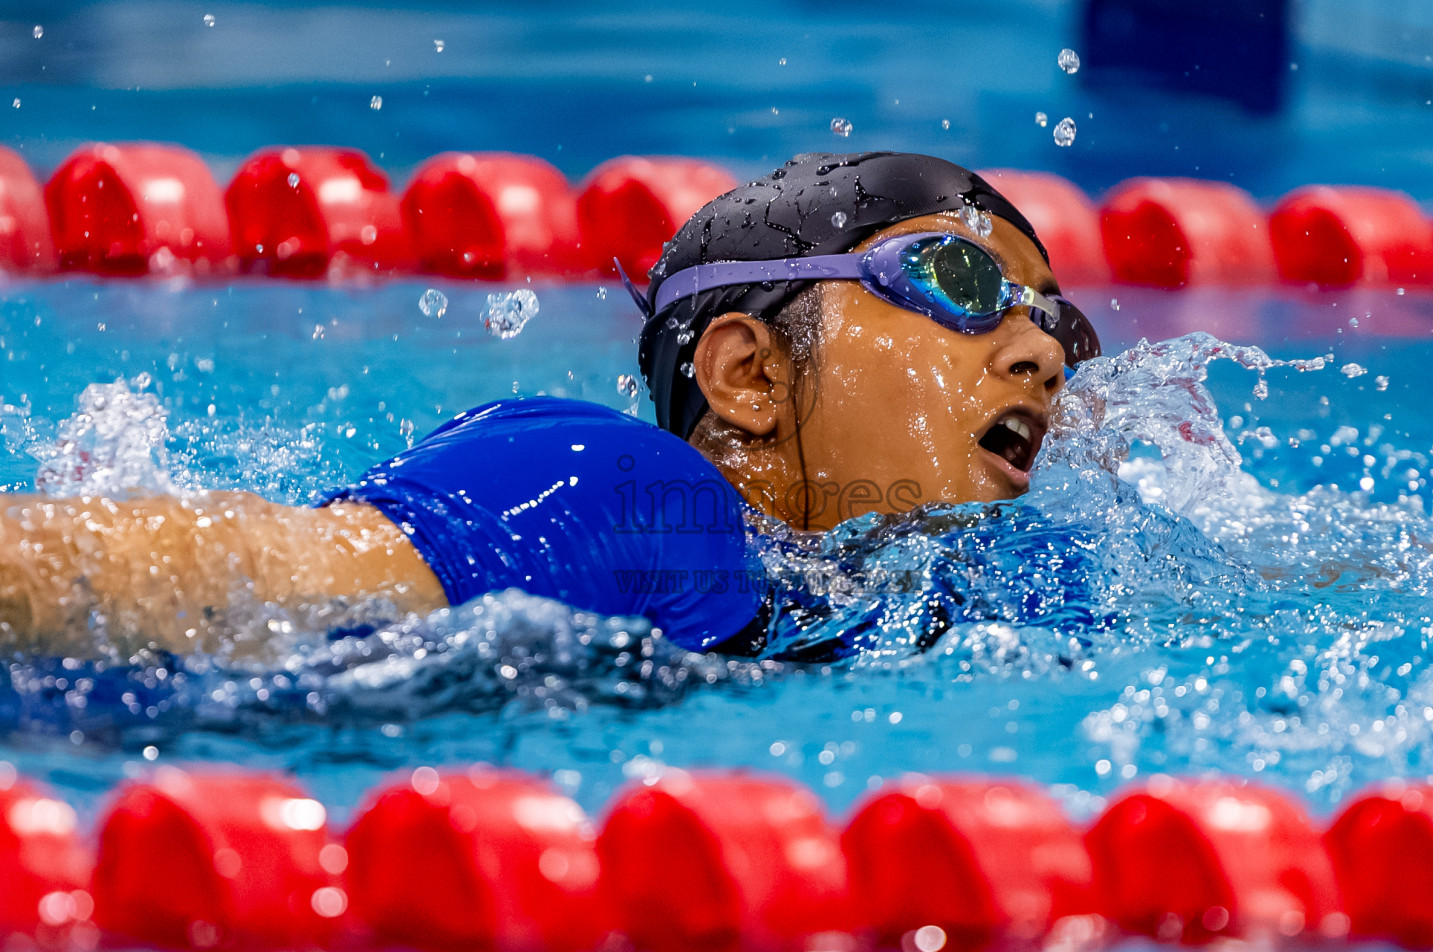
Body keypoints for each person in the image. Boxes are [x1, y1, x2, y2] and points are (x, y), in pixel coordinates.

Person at [0, 152, 1099, 659]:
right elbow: (214, 575)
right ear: (748, 378)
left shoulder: (976, 590)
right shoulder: (620, 494)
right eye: (963, 286)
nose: (1040, 359)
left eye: (1059, 326)